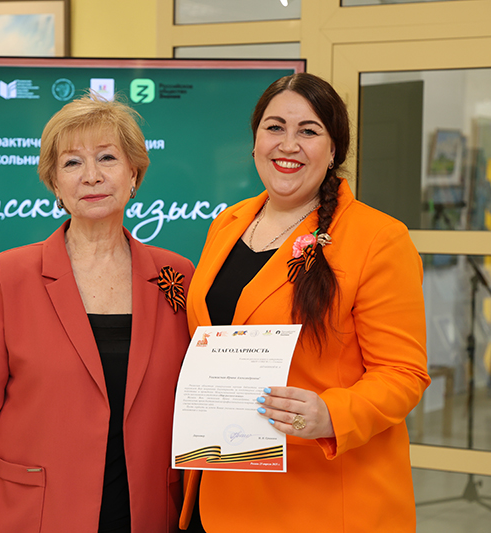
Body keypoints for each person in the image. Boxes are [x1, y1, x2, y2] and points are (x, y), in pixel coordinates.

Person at [180, 73, 431, 532]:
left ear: (334, 150)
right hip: (222, 487)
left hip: (322, 501)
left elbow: (403, 373)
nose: (288, 144)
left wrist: (331, 414)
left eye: (308, 131)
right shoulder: (227, 223)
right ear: (255, 142)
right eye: (274, 127)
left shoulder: (378, 238)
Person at [0, 94, 194, 533]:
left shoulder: (177, 275)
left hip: (150, 512)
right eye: (73, 163)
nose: (91, 175)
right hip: (37, 514)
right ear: (55, 184)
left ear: (134, 174)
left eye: (107, 157)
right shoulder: (9, 274)